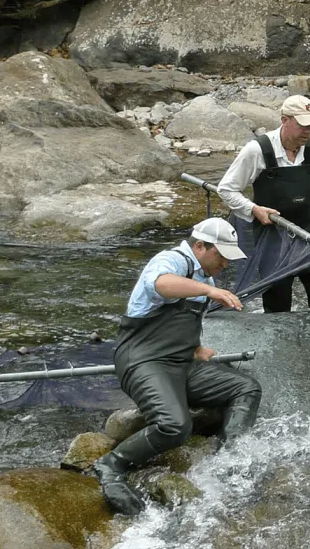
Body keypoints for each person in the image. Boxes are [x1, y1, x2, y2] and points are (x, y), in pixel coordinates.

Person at [92, 218, 263, 516]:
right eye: (220, 255)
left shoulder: (204, 279)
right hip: (143, 360)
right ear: (200, 246)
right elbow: (159, 285)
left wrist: (197, 348)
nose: (225, 263)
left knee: (246, 387)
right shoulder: (172, 260)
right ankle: (112, 464)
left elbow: (184, 320)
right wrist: (210, 292)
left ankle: (229, 458)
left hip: (182, 363)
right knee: (174, 426)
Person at [217, 94, 310, 323]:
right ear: (285, 120)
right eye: (302, 125)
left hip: (308, 237)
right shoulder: (256, 150)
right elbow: (226, 189)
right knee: (278, 309)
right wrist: (253, 209)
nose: (308, 131)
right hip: (271, 239)